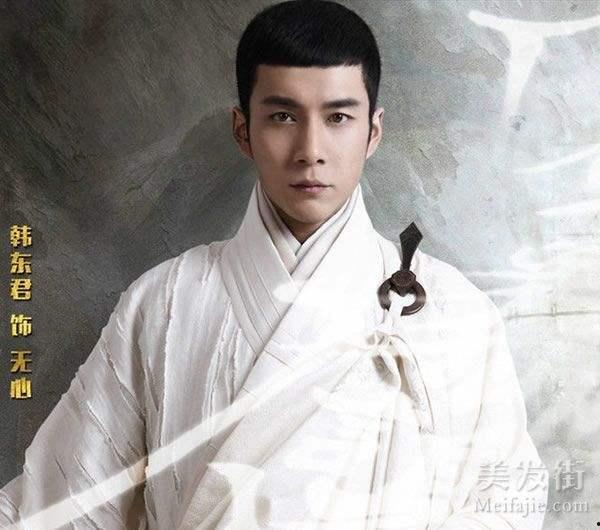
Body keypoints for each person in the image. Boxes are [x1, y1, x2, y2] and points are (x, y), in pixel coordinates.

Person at [0, 1, 548, 529]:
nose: (311, 149)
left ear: (373, 131)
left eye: (338, 117)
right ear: (243, 130)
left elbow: (507, 500)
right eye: (283, 116)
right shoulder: (163, 303)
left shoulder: (454, 310)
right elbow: (56, 508)